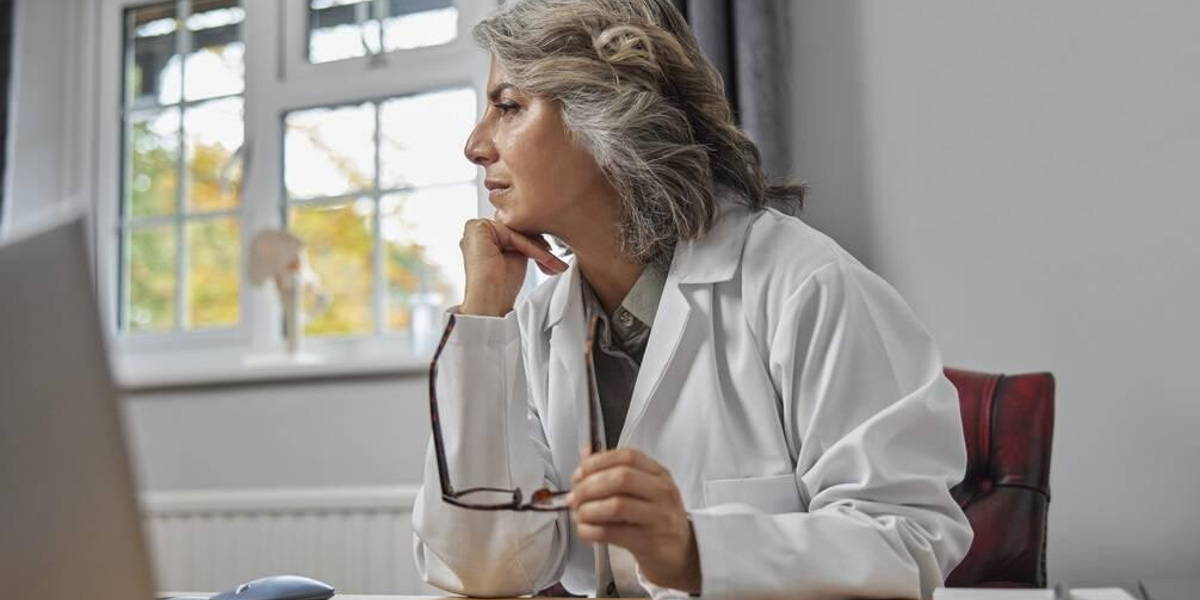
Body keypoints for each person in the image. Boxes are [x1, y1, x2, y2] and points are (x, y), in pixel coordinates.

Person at [411, 1, 974, 598]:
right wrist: (480, 323)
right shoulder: (533, 319)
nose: (476, 145)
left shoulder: (805, 285)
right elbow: (484, 568)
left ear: (609, 113)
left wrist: (695, 550)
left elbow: (907, 540)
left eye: (508, 107)